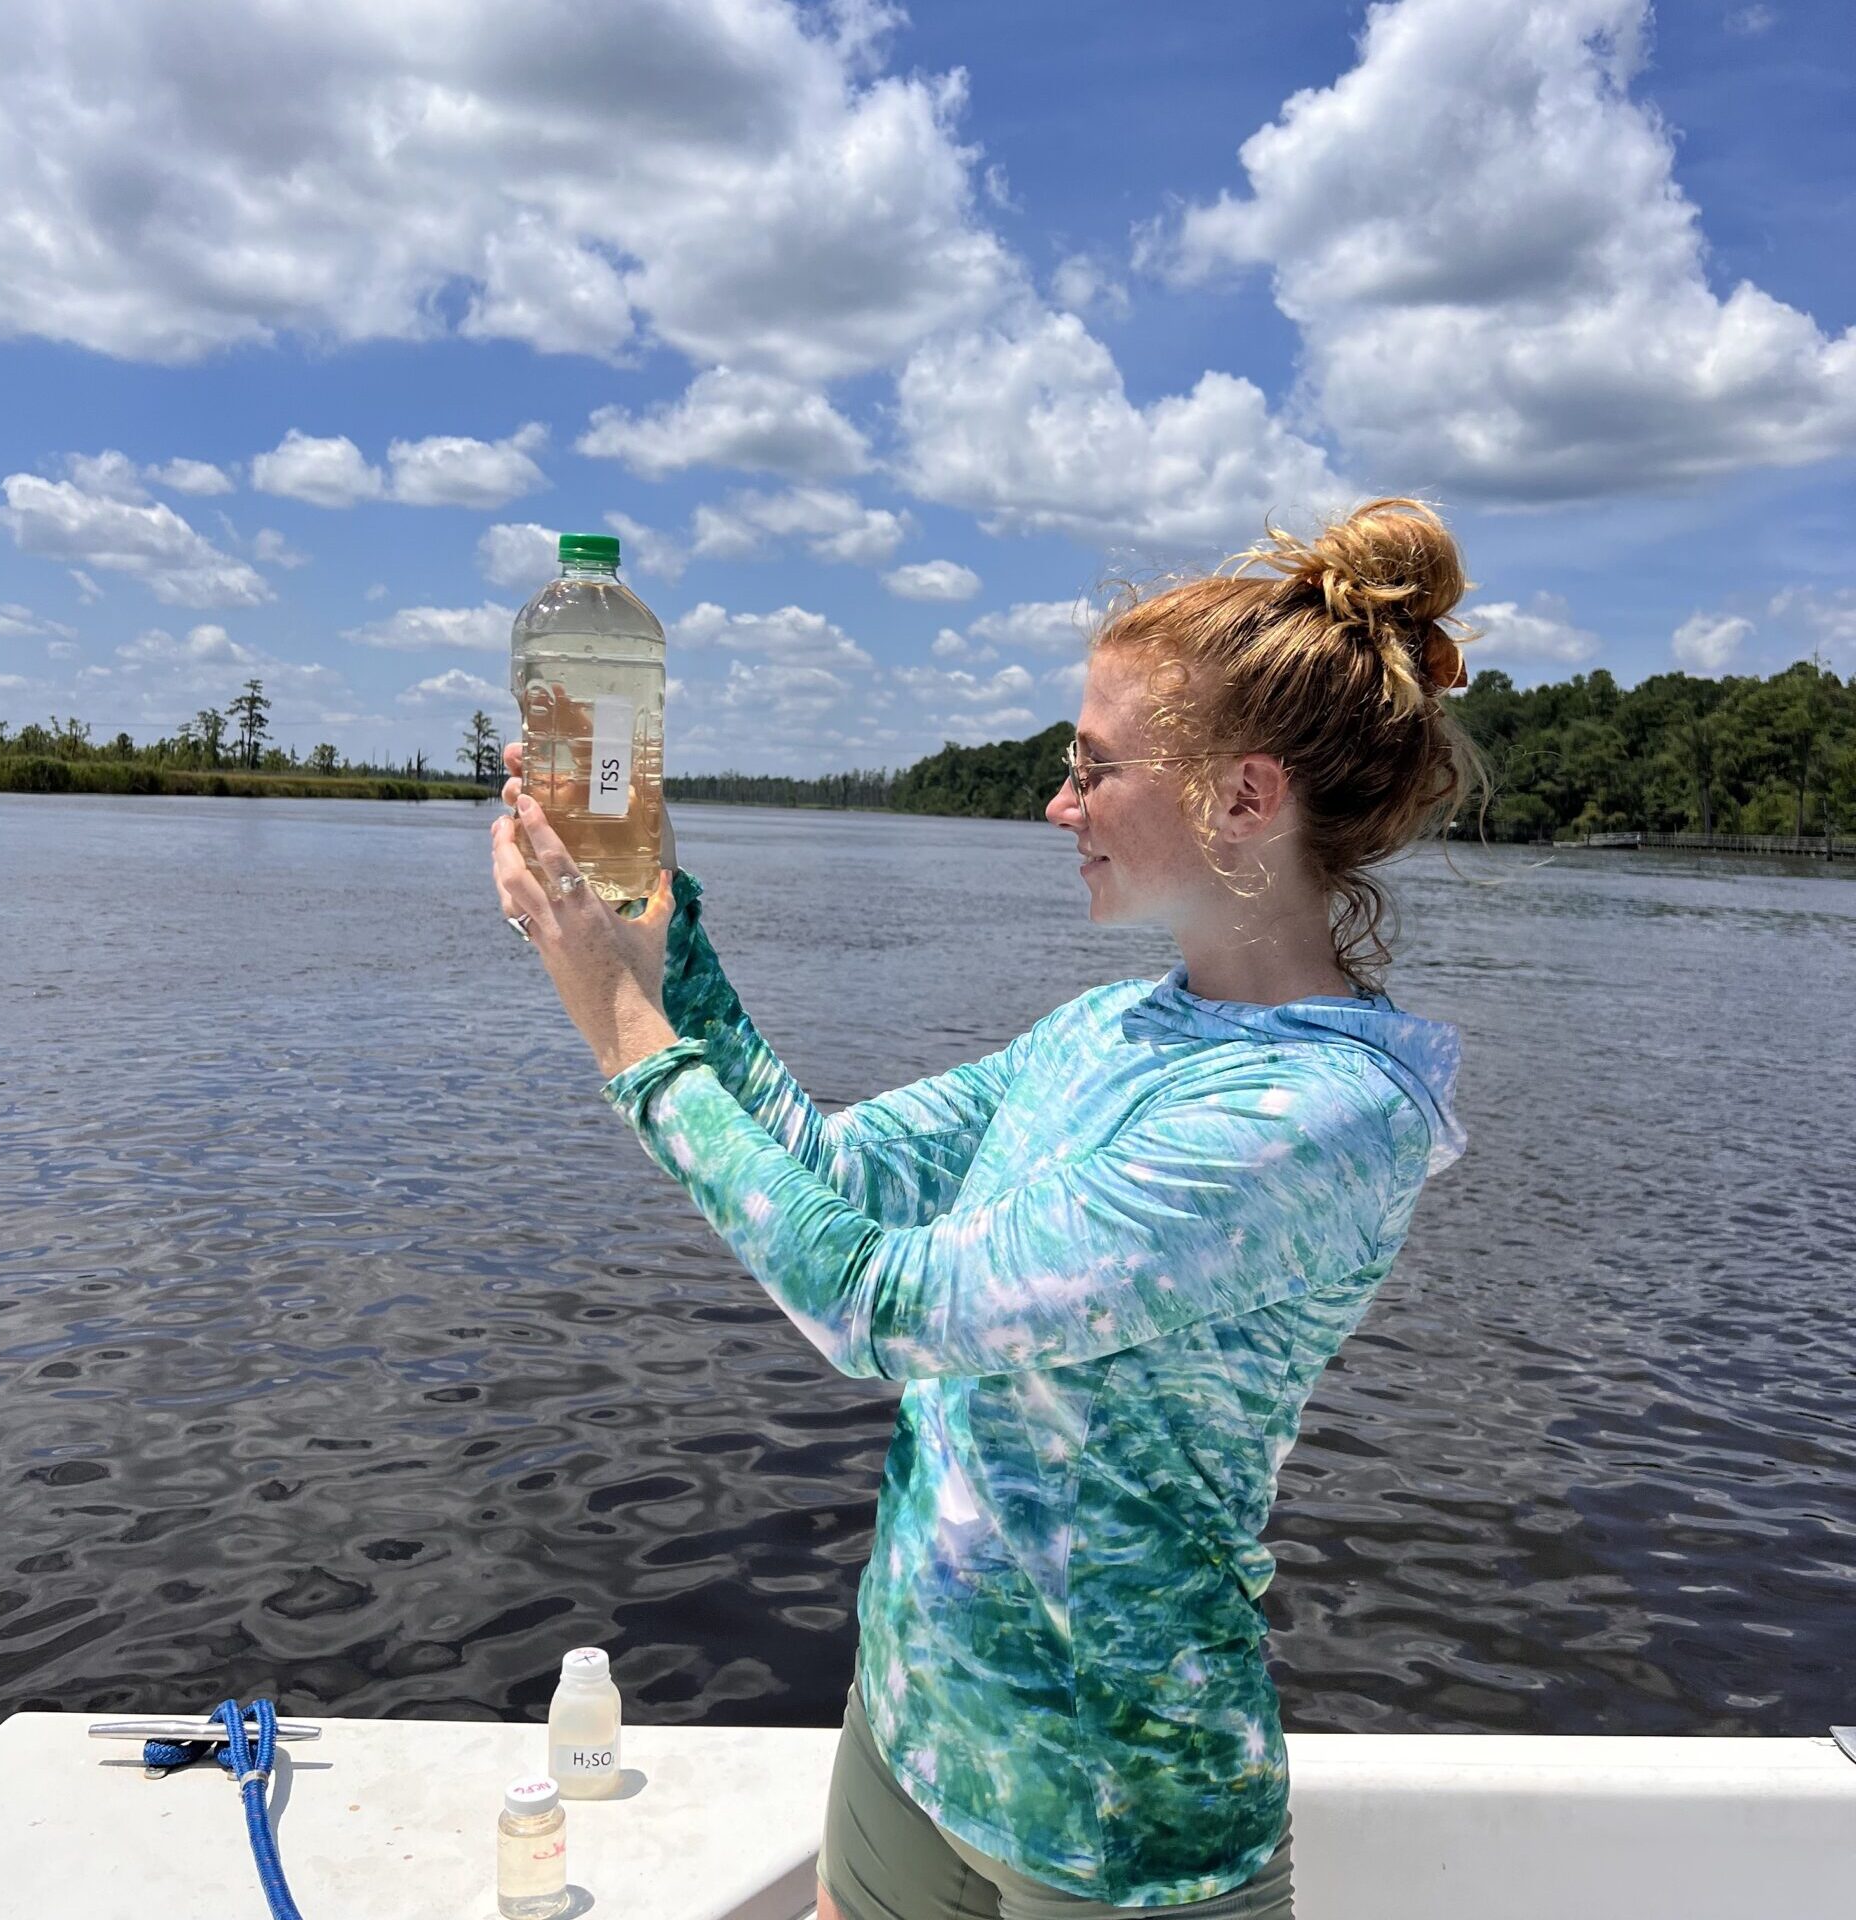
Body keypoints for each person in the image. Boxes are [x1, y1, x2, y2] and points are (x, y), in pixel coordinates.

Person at [489, 496, 1486, 1920]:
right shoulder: (1107, 1031)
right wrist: (661, 938)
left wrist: (630, 1040)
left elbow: (877, 1305)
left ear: (1246, 799)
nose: (1057, 805)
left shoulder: (1319, 1119)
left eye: (1091, 769)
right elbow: (830, 1178)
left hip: (1120, 1824)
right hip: (914, 1727)